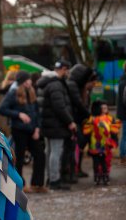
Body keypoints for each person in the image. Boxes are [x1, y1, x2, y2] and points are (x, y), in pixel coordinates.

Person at [0, 71, 46, 193]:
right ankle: (20, 184)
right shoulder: (13, 93)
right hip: (19, 130)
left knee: (40, 154)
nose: (30, 81)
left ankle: (37, 183)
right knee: (19, 158)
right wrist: (19, 114)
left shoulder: (31, 92)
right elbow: (2, 109)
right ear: (23, 81)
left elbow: (37, 113)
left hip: (32, 130)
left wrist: (37, 128)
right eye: (28, 79)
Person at [36, 59, 75, 190]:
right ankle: (55, 180)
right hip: (56, 124)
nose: (68, 73)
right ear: (63, 69)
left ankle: (51, 178)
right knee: (55, 151)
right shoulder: (56, 84)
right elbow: (60, 106)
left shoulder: (47, 82)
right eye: (67, 70)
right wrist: (70, 121)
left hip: (48, 123)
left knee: (50, 151)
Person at [65, 64, 97, 180]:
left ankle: (76, 169)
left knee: (80, 144)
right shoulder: (73, 85)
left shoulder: (78, 86)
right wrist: (90, 117)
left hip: (79, 119)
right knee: (77, 144)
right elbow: (79, 104)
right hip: (75, 119)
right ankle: (73, 170)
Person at [83, 100, 120, 185]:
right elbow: (86, 132)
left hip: (105, 145)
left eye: (105, 108)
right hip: (95, 144)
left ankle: (105, 176)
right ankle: (97, 177)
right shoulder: (92, 119)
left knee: (104, 161)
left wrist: (114, 143)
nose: (103, 110)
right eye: (101, 108)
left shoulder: (109, 118)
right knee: (96, 162)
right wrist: (83, 144)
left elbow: (114, 131)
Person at [118, 60, 126, 164]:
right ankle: (123, 156)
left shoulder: (125, 80)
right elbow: (125, 100)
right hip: (125, 113)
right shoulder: (124, 82)